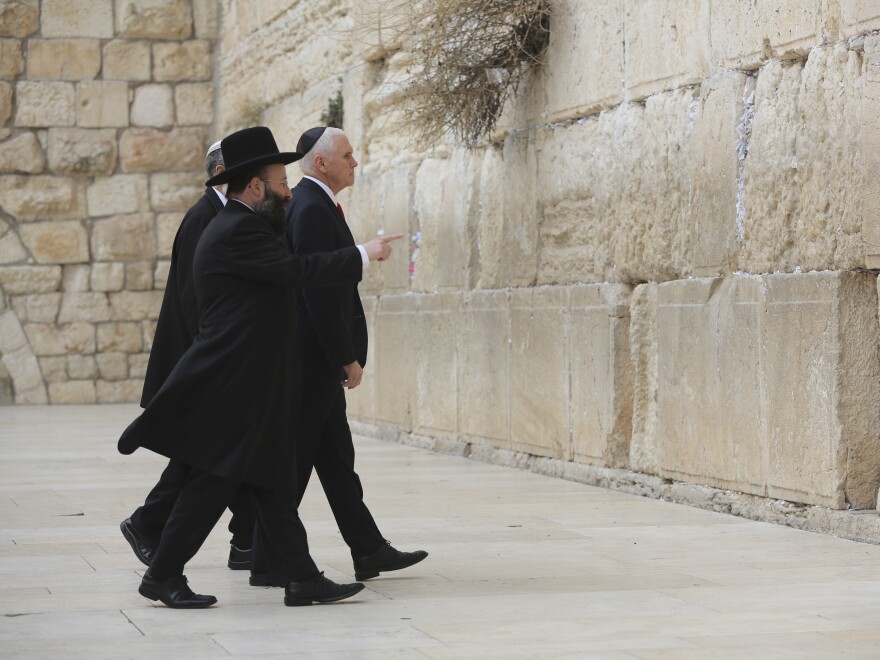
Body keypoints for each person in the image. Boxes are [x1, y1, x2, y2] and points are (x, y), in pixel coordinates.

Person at [117, 126, 403, 609]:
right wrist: (362, 254)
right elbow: (298, 272)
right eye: (280, 183)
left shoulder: (239, 226)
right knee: (213, 484)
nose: (289, 192)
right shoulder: (238, 230)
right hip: (233, 383)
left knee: (270, 483)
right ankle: (163, 573)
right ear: (254, 187)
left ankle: (301, 578)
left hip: (249, 382)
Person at [249, 126, 426, 587]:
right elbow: (315, 290)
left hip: (316, 358)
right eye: (347, 155)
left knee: (335, 460)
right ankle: (270, 560)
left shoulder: (315, 203)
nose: (355, 162)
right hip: (312, 360)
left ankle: (367, 549)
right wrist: (343, 356)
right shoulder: (309, 205)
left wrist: (362, 254)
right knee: (297, 463)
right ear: (321, 162)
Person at [119, 141, 255, 573]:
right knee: (206, 456)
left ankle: (247, 541)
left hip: (212, 361)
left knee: (218, 454)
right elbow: (197, 299)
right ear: (222, 171)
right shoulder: (204, 218)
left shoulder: (223, 215)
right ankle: (147, 523)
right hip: (203, 361)